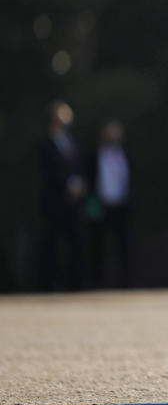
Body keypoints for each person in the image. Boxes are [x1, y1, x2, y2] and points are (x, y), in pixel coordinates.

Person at [38, 100, 86, 291]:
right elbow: (47, 172)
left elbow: (78, 167)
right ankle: (50, 283)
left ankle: (77, 283)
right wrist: (66, 184)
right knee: (52, 244)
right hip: (54, 202)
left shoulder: (72, 141)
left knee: (76, 243)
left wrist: (80, 185)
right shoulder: (45, 143)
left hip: (73, 202)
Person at [86, 120, 133, 288]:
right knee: (98, 246)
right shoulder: (95, 155)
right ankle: (96, 282)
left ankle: (128, 283)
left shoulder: (125, 154)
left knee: (124, 246)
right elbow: (90, 181)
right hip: (101, 206)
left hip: (121, 206)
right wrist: (91, 206)